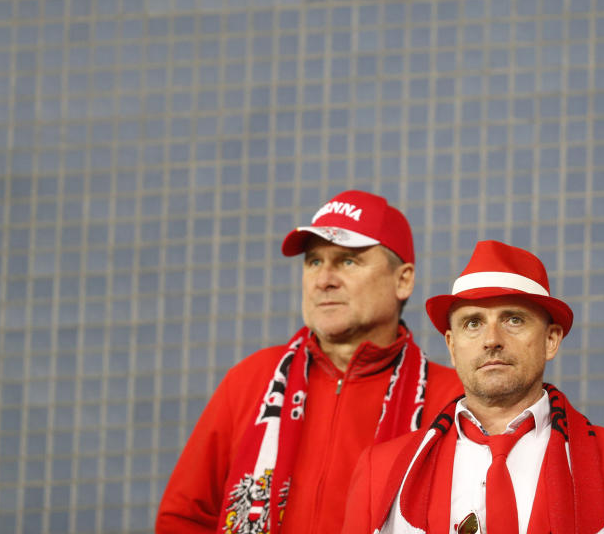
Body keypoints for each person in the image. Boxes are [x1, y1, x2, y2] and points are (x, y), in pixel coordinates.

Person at [156, 190, 463, 534]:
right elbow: (182, 519)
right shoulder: (250, 379)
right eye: (314, 261)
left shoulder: (453, 400)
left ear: (403, 280)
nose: (323, 280)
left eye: (348, 261)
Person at [342, 240, 604, 534]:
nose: (492, 340)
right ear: (451, 345)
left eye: (513, 319)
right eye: (473, 323)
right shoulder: (381, 471)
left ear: (551, 340)